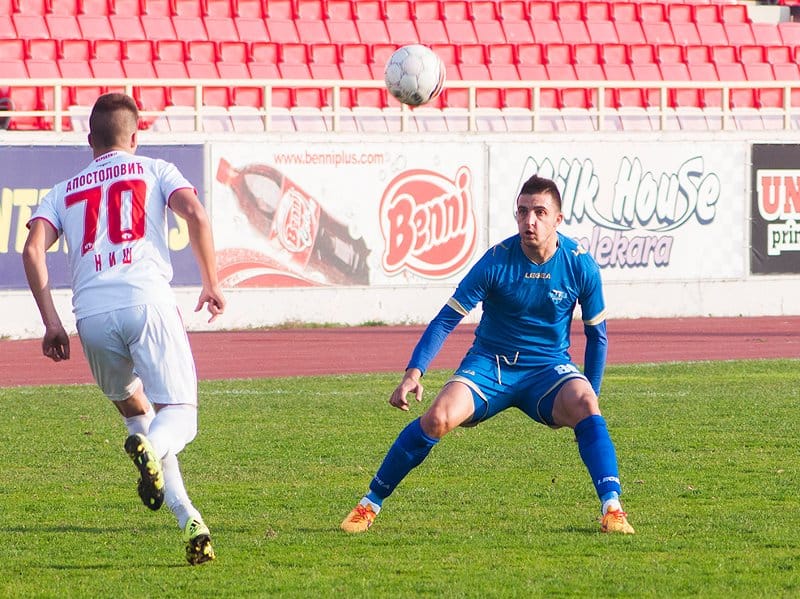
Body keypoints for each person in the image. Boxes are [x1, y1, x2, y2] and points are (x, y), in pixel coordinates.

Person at [341, 174, 635, 535]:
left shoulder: (580, 265)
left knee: (588, 406)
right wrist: (414, 372)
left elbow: (597, 336)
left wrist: (593, 394)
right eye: (523, 212)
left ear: (558, 219)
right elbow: (446, 318)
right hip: (490, 365)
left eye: (540, 212)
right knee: (436, 418)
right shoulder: (496, 261)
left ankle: (613, 509)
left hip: (547, 370)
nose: (530, 221)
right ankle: (368, 505)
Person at [22, 92, 227, 565]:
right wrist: (211, 282)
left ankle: (188, 517)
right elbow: (195, 213)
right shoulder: (155, 169)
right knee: (180, 417)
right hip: (146, 301)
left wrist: (52, 323)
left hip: (91, 317)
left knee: (139, 412)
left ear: (88, 139)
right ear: (135, 136)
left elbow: (33, 251)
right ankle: (150, 449)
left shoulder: (62, 190)